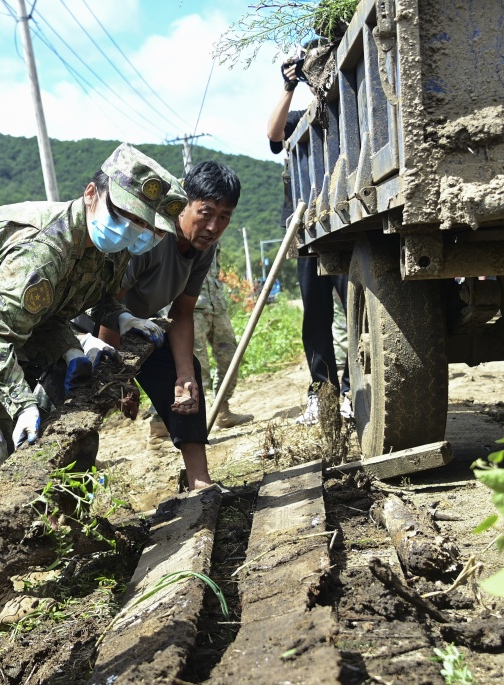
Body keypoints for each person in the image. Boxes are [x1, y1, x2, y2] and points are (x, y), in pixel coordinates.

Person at [0, 144, 186, 513]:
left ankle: (52, 537)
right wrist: (22, 405)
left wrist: (122, 320)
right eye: (125, 217)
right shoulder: (43, 248)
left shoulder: (110, 245)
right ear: (91, 195)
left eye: (145, 226)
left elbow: (85, 302)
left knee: (16, 457)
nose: (132, 231)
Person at [87, 160, 242, 491]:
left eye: (224, 217)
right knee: (83, 402)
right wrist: (117, 375)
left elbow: (183, 312)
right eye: (206, 212)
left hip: (136, 327)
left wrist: (185, 374)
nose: (214, 226)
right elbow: (106, 306)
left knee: (186, 374)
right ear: (184, 204)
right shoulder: (150, 237)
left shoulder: (203, 249)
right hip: (93, 329)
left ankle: (200, 481)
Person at [267, 53, 352, 424]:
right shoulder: (302, 120)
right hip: (307, 231)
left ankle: (355, 388)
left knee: (355, 307)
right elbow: (272, 135)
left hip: (347, 224)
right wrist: (289, 86)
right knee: (316, 317)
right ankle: (324, 393)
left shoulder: (348, 107)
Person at [192, 253, 255, 428]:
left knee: (231, 357)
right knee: (195, 367)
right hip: (189, 307)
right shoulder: (175, 230)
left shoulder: (214, 231)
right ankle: (160, 429)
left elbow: (215, 268)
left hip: (216, 304)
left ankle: (222, 410)